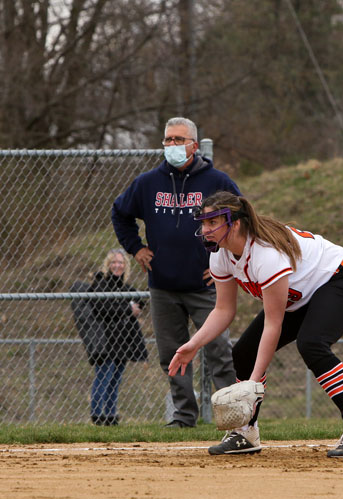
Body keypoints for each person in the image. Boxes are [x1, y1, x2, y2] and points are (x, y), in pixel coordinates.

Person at [167, 191, 343, 457]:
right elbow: (223, 310)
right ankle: (246, 432)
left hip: (338, 280)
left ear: (235, 223)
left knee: (312, 344)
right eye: (204, 223)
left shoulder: (265, 254)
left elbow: (273, 324)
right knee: (243, 352)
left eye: (212, 222)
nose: (205, 229)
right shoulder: (220, 255)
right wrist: (193, 345)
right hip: (299, 296)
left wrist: (253, 384)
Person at [111, 117, 239, 428]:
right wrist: (136, 248)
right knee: (172, 354)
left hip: (206, 287)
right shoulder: (147, 183)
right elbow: (120, 213)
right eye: (168, 140)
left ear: (194, 145)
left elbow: (241, 220)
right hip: (163, 286)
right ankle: (183, 416)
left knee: (219, 351)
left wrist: (227, 262)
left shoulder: (216, 182)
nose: (172, 146)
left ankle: (234, 416)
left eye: (179, 140)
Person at [72, 249, 148, 426]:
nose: (117, 265)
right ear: (108, 265)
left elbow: (139, 300)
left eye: (121, 263)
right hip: (105, 340)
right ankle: (97, 415)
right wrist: (127, 309)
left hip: (121, 340)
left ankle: (111, 415)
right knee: (103, 377)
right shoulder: (101, 285)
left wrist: (132, 307)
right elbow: (104, 308)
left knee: (116, 379)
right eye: (113, 262)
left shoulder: (125, 288)